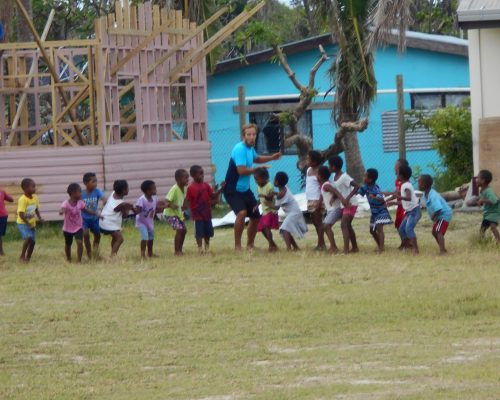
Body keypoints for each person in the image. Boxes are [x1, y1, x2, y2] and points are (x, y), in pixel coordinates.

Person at [223, 123, 281, 251]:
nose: (252, 137)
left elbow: (257, 158)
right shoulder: (240, 149)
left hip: (245, 189)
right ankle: (237, 246)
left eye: (254, 134)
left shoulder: (250, 149)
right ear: (243, 136)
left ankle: (250, 245)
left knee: (255, 216)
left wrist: (271, 157)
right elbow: (241, 171)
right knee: (242, 213)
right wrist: (257, 170)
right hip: (232, 189)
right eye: (249, 134)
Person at [186, 165, 223, 254]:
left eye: (203, 173)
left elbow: (213, 195)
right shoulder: (190, 188)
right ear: (193, 175)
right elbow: (188, 201)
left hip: (207, 214)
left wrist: (221, 189)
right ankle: (200, 248)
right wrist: (189, 212)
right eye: (200, 174)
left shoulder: (206, 185)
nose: (202, 175)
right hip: (197, 215)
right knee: (199, 233)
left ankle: (207, 247)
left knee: (208, 232)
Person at [59, 183, 101, 263]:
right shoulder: (66, 203)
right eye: (79, 192)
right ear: (73, 193)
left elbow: (86, 210)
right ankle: (68, 258)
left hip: (78, 227)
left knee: (79, 242)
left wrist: (95, 213)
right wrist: (61, 211)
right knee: (68, 244)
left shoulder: (80, 203)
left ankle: (79, 260)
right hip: (68, 228)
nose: (81, 194)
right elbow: (62, 209)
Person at [328, 156, 359, 254]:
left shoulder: (344, 176)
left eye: (329, 165)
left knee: (344, 224)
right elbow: (338, 190)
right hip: (344, 205)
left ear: (334, 167)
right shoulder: (334, 177)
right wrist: (333, 198)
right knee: (348, 225)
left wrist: (348, 198)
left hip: (351, 203)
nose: (328, 167)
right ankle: (354, 247)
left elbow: (357, 186)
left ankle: (346, 250)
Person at [358, 169, 393, 253]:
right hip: (374, 212)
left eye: (365, 176)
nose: (363, 177)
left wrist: (374, 197)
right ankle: (380, 245)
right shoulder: (365, 187)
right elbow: (359, 192)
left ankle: (381, 248)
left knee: (379, 229)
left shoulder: (375, 188)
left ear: (370, 179)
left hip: (381, 211)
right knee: (372, 230)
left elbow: (381, 198)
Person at [418, 174, 453, 254]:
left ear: (425, 184)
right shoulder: (425, 194)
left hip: (444, 215)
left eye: (420, 183)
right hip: (439, 216)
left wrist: (433, 215)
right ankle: (443, 248)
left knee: (438, 230)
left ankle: (442, 251)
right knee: (434, 232)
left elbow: (439, 209)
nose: (418, 185)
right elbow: (423, 204)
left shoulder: (433, 195)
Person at [99, 180, 135, 257]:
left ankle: (113, 252)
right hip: (108, 223)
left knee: (115, 238)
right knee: (120, 239)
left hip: (104, 221)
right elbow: (124, 216)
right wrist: (128, 209)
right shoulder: (121, 204)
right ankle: (113, 256)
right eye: (127, 188)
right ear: (123, 191)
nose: (128, 189)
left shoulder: (113, 194)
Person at [273, 172, 307, 251]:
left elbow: (276, 208)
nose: (273, 181)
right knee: (285, 229)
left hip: (293, 213)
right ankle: (295, 247)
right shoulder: (285, 188)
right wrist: (274, 194)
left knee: (284, 229)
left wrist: (266, 202)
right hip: (295, 212)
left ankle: (289, 249)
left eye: (274, 179)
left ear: (277, 182)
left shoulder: (280, 194)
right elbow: (280, 194)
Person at [135, 180, 165, 258]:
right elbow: (137, 210)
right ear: (148, 191)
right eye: (154, 189)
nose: (156, 190)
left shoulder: (154, 198)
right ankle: (142, 255)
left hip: (149, 222)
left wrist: (166, 206)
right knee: (145, 237)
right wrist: (136, 209)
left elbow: (156, 207)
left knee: (151, 238)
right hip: (141, 223)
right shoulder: (142, 199)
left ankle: (150, 253)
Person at [396, 165, 421, 254]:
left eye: (398, 174)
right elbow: (405, 202)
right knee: (401, 229)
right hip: (409, 212)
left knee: (408, 229)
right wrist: (393, 203)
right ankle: (407, 246)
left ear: (401, 176)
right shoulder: (404, 185)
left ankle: (415, 249)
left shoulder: (406, 185)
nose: (397, 176)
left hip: (414, 211)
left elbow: (408, 198)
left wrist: (398, 196)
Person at [17, 178, 43, 262]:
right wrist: (27, 224)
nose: (35, 188)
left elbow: (36, 209)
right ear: (25, 188)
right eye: (33, 186)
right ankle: (22, 256)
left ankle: (28, 257)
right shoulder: (23, 199)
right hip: (23, 223)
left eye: (34, 186)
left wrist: (40, 217)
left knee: (33, 242)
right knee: (28, 238)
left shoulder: (35, 197)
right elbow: (21, 214)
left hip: (31, 223)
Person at [317, 166, 342, 254]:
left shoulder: (326, 185)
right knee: (325, 226)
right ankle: (333, 246)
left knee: (326, 226)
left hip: (335, 209)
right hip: (331, 209)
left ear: (319, 176)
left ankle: (333, 247)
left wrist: (335, 198)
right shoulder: (327, 184)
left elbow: (335, 191)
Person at [81, 172, 106, 259]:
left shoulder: (97, 191)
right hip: (84, 219)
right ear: (85, 183)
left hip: (95, 218)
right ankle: (89, 253)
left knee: (97, 235)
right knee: (86, 235)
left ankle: (95, 250)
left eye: (96, 181)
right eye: (93, 181)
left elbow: (104, 199)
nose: (95, 183)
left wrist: (104, 202)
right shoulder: (81, 193)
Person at [164, 169, 189, 255]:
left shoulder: (185, 189)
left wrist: (185, 206)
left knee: (184, 230)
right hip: (170, 214)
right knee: (179, 229)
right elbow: (166, 201)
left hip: (178, 214)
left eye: (188, 178)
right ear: (178, 179)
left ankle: (180, 249)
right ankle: (176, 251)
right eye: (185, 178)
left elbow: (184, 201)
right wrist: (171, 205)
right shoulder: (174, 189)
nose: (187, 180)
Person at [253, 167, 279, 252]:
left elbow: (270, 198)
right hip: (265, 211)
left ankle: (271, 245)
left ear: (265, 178)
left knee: (266, 227)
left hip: (271, 210)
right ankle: (272, 244)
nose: (256, 182)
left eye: (258, 179)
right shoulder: (258, 186)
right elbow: (260, 198)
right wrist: (257, 205)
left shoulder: (269, 186)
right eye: (255, 180)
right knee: (262, 228)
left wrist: (264, 196)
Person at [306, 150, 326, 251]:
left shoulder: (319, 172)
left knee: (319, 222)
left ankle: (321, 244)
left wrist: (320, 201)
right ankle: (321, 243)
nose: (307, 160)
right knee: (315, 222)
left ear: (314, 162)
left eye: (309, 159)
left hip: (317, 200)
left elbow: (323, 187)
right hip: (310, 200)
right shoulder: (309, 170)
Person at [476, 170, 500, 243]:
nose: (476, 180)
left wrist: (482, 201)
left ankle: (499, 242)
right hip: (487, 214)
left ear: (483, 181)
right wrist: (480, 202)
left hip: (494, 213)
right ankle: (482, 243)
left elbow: (494, 200)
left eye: (478, 178)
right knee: (482, 230)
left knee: (493, 227)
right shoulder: (482, 190)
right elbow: (484, 199)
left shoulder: (489, 191)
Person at [0, 186, 14, 255]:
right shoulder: (2, 191)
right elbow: (11, 199)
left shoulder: (2, 191)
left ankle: (1, 251)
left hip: (2, 215)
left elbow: (11, 199)